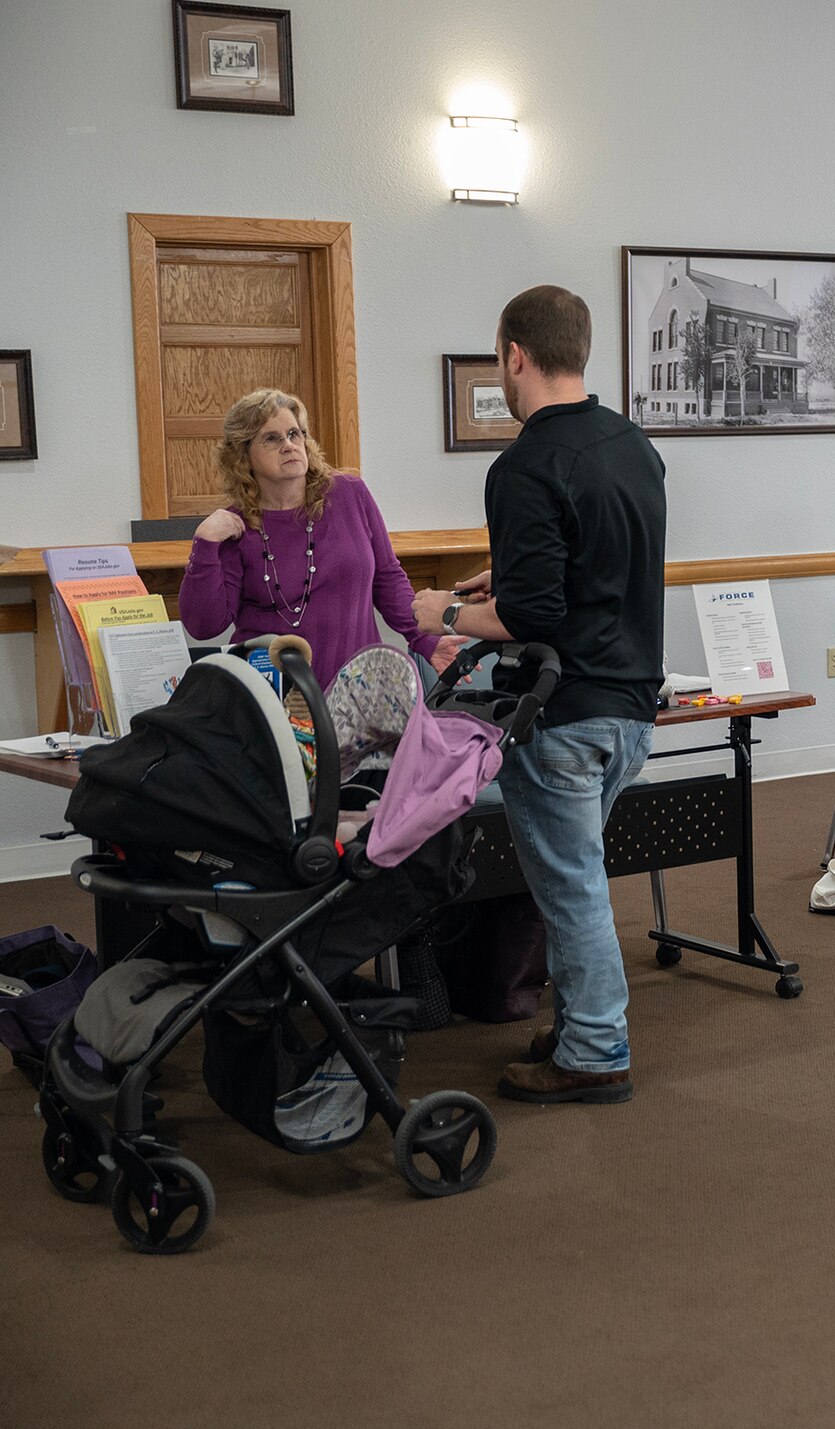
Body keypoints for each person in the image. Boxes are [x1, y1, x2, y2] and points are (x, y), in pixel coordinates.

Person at [412, 285, 666, 1105]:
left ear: (513, 355)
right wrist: (517, 576)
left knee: (570, 888)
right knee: (575, 879)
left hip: (564, 711)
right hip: (632, 705)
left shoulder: (523, 463)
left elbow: (534, 613)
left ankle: (594, 1050)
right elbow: (601, 565)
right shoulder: (635, 445)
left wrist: (442, 610)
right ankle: (583, 1024)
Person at [180, 389, 460, 685]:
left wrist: (422, 639)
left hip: (359, 688)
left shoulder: (350, 494)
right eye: (272, 438)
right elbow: (204, 625)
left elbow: (388, 579)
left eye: (295, 434)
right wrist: (205, 544)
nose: (289, 445)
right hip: (273, 692)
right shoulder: (235, 526)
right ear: (242, 454)